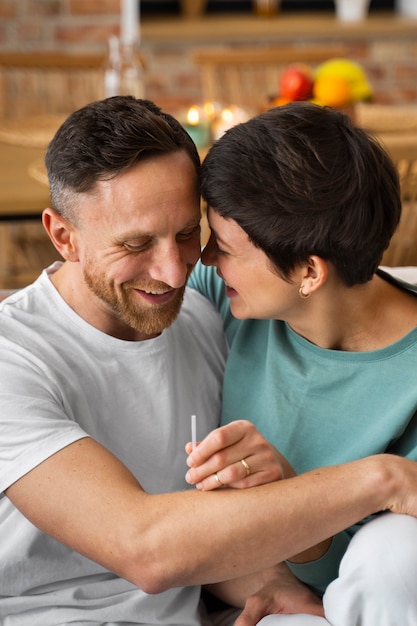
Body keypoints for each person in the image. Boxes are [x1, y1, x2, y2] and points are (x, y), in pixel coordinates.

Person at [0, 96, 417, 626]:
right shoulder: (15, 358)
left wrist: (267, 574)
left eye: (189, 235)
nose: (177, 272)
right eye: (136, 243)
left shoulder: (202, 310)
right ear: (63, 238)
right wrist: (383, 479)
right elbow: (145, 547)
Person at [187, 101, 417, 626]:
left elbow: (372, 584)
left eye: (222, 247)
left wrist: (291, 496)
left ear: (309, 272)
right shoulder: (227, 294)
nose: (202, 260)